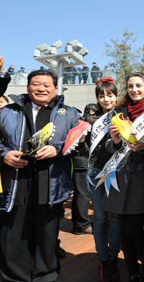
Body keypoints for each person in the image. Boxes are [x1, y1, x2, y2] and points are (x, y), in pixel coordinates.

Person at [0, 69, 82, 281]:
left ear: (56, 89)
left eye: (47, 85)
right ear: (27, 88)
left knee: (47, 240)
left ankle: (46, 277)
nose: (41, 88)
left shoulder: (71, 113)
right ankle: (13, 278)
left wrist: (59, 150)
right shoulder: (8, 111)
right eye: (36, 84)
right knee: (13, 238)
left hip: (51, 186)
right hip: (16, 184)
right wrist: (4, 154)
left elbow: (83, 145)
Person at [104, 72, 144, 282]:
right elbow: (106, 146)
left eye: (139, 85)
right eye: (130, 86)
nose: (134, 89)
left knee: (133, 229)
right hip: (119, 176)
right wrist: (113, 141)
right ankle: (132, 273)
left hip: (141, 178)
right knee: (123, 230)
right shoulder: (118, 112)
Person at [86, 77, 121, 282]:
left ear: (116, 96)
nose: (106, 99)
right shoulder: (91, 119)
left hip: (116, 170)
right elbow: (85, 148)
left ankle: (114, 257)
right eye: (102, 95)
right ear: (97, 98)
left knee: (115, 218)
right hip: (95, 169)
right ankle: (102, 260)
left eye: (110, 95)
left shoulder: (124, 115)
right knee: (99, 218)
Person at [71, 103, 97, 236]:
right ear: (92, 112)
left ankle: (78, 223)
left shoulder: (79, 122)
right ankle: (82, 225)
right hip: (83, 161)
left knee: (80, 194)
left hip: (79, 162)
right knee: (83, 195)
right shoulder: (88, 122)